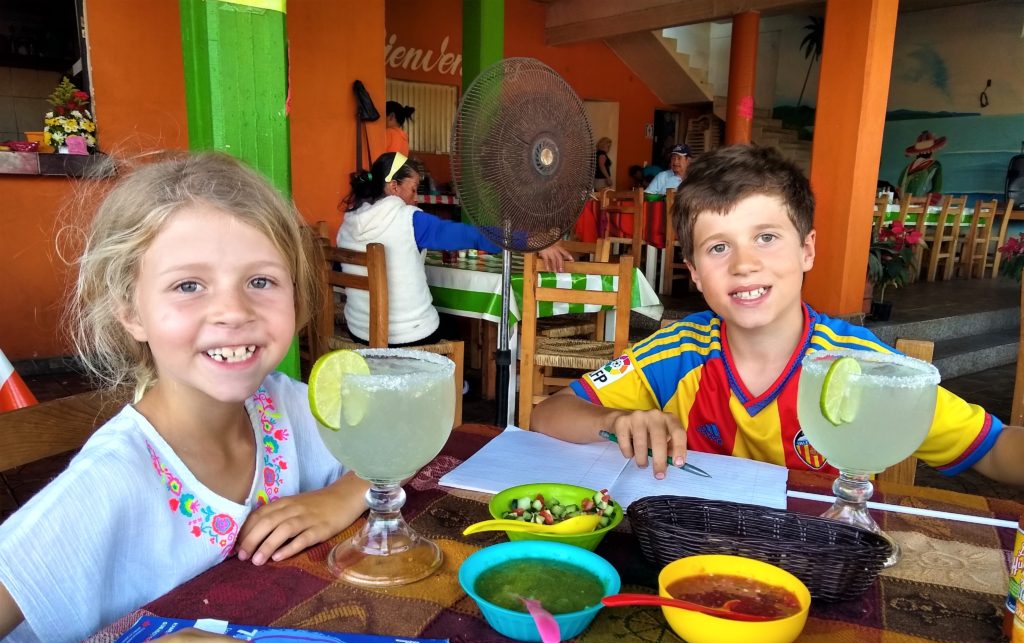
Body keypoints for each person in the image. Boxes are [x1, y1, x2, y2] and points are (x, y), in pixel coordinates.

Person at [0, 152, 371, 643]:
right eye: (189, 285)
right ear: (129, 309)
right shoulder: (111, 481)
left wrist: (348, 492)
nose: (232, 311)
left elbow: (402, 448)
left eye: (260, 281)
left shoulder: (287, 404)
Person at [531, 145, 1024, 486]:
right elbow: (547, 415)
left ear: (807, 250)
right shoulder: (675, 354)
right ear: (696, 275)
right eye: (719, 247)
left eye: (766, 237)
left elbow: (997, 449)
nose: (745, 264)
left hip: (819, 569)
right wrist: (618, 418)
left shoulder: (863, 369)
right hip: (694, 553)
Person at [337, 151, 573, 346]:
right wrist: (534, 242)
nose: (415, 198)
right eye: (413, 189)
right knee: (454, 328)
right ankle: (452, 386)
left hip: (359, 330)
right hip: (405, 334)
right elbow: (473, 236)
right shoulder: (408, 219)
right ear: (394, 187)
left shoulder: (348, 223)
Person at [898, 130, 945, 202]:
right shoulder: (935, 165)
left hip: (903, 202)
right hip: (919, 204)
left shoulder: (908, 166)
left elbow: (899, 185)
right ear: (932, 150)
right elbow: (937, 188)